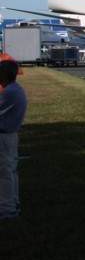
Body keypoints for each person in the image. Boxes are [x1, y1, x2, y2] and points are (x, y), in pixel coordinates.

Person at [0, 59, 27, 220]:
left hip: (4, 136)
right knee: (10, 170)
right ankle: (12, 203)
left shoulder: (10, 92)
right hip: (9, 135)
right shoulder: (14, 89)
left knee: (4, 173)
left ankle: (7, 208)